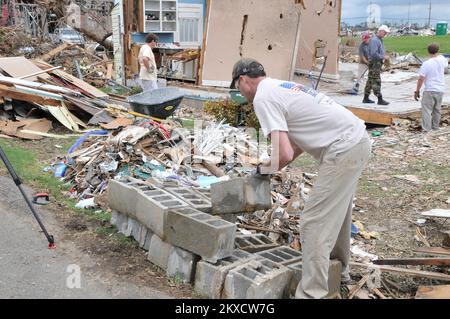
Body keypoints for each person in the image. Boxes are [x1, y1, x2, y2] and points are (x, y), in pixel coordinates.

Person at [230, 58, 371, 299]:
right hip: (357, 140)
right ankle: (338, 271)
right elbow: (295, 144)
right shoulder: (280, 87)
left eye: (237, 88)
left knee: (314, 221)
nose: (240, 94)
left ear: (242, 80)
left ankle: (311, 294)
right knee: (337, 213)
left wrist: (262, 172)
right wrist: (268, 168)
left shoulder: (263, 98)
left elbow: (283, 153)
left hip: (343, 146)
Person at [415, 43, 448, 132]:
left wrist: (417, 91)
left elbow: (421, 78)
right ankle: (435, 127)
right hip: (440, 89)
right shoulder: (442, 59)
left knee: (427, 110)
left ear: (428, 51)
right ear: (438, 51)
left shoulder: (426, 63)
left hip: (430, 89)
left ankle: (426, 129)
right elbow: (446, 64)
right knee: (437, 110)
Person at [363, 25, 390, 105]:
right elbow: (374, 53)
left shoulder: (379, 40)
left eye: (386, 33)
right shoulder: (375, 40)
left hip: (376, 62)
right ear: (380, 31)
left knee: (370, 80)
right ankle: (380, 99)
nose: (385, 34)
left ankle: (366, 98)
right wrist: (383, 56)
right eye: (384, 32)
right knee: (376, 80)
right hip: (375, 62)